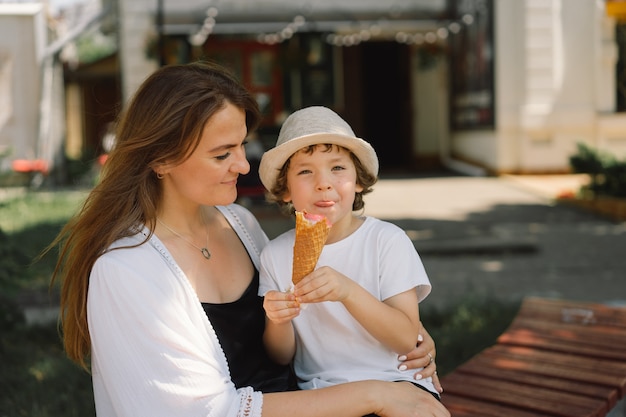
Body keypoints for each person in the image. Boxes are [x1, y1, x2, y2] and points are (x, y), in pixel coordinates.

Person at [46, 61, 448, 417]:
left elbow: (304, 336)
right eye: (222, 154)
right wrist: (374, 394)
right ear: (161, 159)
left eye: (241, 146)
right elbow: (209, 411)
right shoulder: (126, 271)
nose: (243, 165)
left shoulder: (239, 223)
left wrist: (408, 339)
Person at [258, 106, 442, 407]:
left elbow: (406, 338)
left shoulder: (386, 241)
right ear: (285, 189)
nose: (323, 182)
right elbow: (281, 356)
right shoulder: (276, 255)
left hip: (398, 381)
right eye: (305, 171)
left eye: (338, 168)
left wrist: (348, 291)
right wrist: (277, 320)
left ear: (358, 180)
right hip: (322, 394)